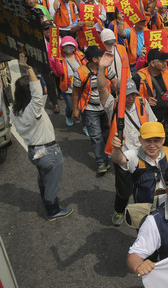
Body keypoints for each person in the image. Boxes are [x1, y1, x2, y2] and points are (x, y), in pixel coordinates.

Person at [10, 53, 73, 221]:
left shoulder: (14, 110)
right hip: (48, 151)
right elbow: (37, 91)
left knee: (43, 178)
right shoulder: (34, 108)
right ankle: (53, 211)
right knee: (52, 181)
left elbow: (35, 91)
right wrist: (29, 68)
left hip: (34, 152)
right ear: (30, 92)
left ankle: (47, 202)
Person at [97, 52, 157, 226]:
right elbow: (101, 88)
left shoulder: (142, 103)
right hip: (122, 157)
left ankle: (143, 214)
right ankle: (119, 210)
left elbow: (153, 123)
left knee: (145, 188)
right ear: (119, 94)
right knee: (123, 192)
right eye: (127, 94)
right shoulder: (112, 105)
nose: (130, 98)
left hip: (144, 155)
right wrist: (102, 68)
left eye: (133, 94)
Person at [111, 121, 168, 208]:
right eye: (148, 140)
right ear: (140, 140)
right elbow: (119, 160)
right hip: (145, 210)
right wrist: (116, 149)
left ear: (163, 140)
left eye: (156, 140)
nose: (152, 145)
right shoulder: (134, 155)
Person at [73, 46, 115, 175]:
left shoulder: (106, 68)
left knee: (107, 132)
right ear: (94, 59)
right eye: (100, 56)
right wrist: (75, 109)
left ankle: (108, 154)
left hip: (106, 108)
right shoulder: (80, 73)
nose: (103, 58)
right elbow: (75, 92)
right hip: (90, 109)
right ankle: (101, 162)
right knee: (96, 136)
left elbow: (115, 82)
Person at [134, 48, 168, 143]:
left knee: (163, 142)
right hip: (147, 119)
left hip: (163, 117)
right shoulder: (138, 77)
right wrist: (145, 101)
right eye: (162, 61)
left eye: (165, 60)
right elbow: (130, 99)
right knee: (149, 143)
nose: (166, 63)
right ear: (152, 63)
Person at [50, 36, 86, 127]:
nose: (69, 48)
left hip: (81, 88)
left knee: (82, 108)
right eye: (66, 46)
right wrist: (54, 62)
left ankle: (85, 125)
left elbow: (86, 68)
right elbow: (58, 74)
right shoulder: (60, 58)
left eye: (71, 45)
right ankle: (68, 116)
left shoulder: (80, 55)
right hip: (67, 89)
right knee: (70, 106)